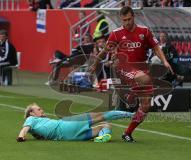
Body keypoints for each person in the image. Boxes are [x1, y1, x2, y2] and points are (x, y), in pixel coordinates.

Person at [89, 6, 173, 142]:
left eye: (128, 19)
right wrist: (95, 63)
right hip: (124, 68)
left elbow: (156, 47)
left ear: (133, 17)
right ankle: (131, 94)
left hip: (141, 68)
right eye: (123, 20)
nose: (126, 23)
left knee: (146, 106)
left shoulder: (144, 31)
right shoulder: (116, 34)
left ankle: (127, 133)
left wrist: (165, 62)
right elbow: (105, 50)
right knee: (144, 78)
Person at [17, 103, 133, 142]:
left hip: (68, 137)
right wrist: (21, 137)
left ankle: (101, 137)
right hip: (67, 124)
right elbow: (24, 129)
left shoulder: (37, 127)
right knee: (102, 115)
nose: (41, 110)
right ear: (31, 113)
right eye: (38, 109)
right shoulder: (31, 119)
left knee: (106, 126)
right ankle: (133, 115)